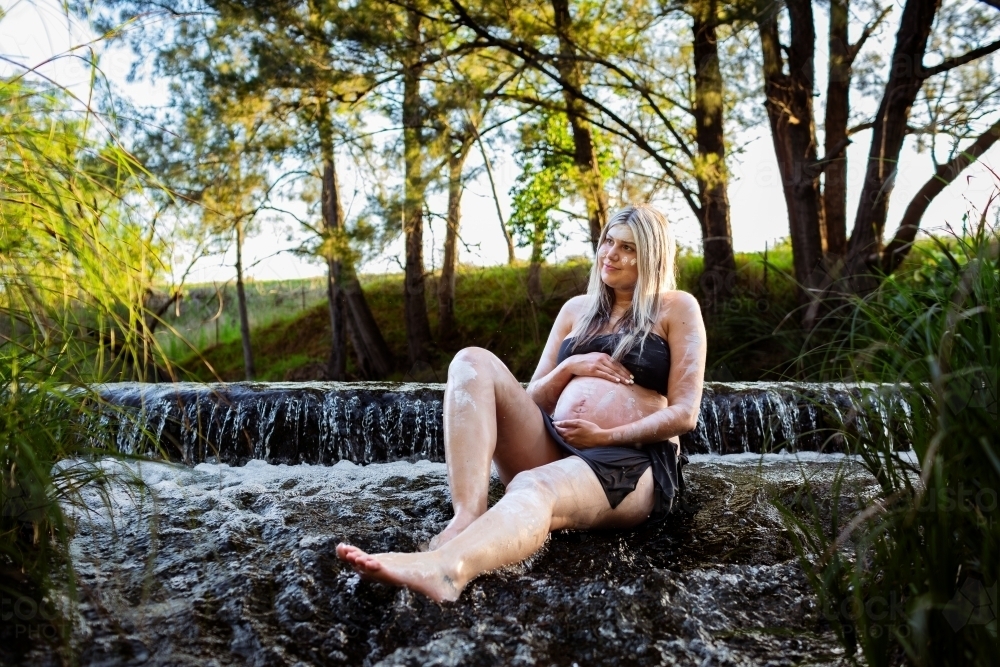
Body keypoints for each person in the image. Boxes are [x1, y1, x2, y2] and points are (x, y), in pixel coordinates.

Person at [336, 204, 707, 602]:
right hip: (552, 444)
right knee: (470, 360)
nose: (610, 255)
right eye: (607, 242)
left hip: (629, 463)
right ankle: (467, 518)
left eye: (628, 248)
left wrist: (605, 435)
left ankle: (447, 571)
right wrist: (570, 368)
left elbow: (685, 414)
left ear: (652, 256)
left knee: (533, 484)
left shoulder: (676, 307)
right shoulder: (574, 311)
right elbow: (531, 401)